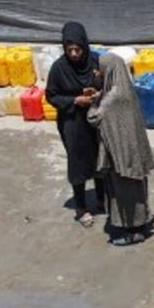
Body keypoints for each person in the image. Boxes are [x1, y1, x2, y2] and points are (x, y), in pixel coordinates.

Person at [87, 52, 154, 247]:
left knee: (123, 194)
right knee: (137, 191)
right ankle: (141, 226)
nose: (97, 72)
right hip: (134, 153)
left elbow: (94, 118)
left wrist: (92, 102)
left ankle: (128, 231)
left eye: (100, 68)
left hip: (120, 157)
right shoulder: (126, 89)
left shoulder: (112, 98)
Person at [45, 21, 104, 227]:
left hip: (95, 120)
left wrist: (97, 91)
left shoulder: (96, 61)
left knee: (100, 158)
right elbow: (51, 95)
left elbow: (107, 84)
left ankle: (101, 198)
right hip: (73, 122)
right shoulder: (59, 68)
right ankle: (81, 207)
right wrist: (74, 101)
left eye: (77, 49)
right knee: (78, 163)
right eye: (69, 50)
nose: (74, 54)